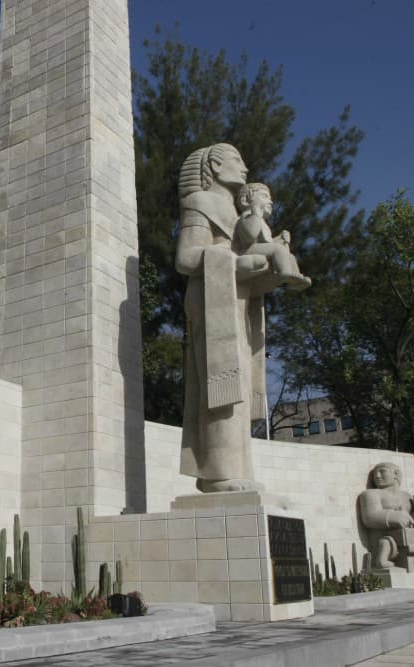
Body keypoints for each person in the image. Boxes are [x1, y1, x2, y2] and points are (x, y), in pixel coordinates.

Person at [175, 143, 272, 493]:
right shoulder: (199, 203)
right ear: (214, 166)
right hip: (212, 300)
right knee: (222, 386)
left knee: (241, 390)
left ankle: (236, 469)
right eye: (237, 159)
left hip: (238, 300)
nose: (245, 167)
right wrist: (233, 261)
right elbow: (185, 258)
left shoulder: (236, 211)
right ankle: (218, 474)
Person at [358, 462, 414, 568]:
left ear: (395, 474)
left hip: (410, 538)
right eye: (374, 474)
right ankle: (382, 560)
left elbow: (413, 518)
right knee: (385, 544)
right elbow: (369, 517)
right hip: (387, 539)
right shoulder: (371, 494)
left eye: (382, 471)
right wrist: (393, 516)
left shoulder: (407, 497)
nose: (377, 476)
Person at [235, 183, 311, 290]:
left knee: (290, 256)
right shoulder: (247, 216)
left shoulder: (261, 221)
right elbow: (249, 237)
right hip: (246, 250)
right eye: (264, 196)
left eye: (270, 198)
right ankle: (284, 273)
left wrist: (281, 240)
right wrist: (256, 215)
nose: (270, 202)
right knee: (278, 249)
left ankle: (295, 279)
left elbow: (268, 244)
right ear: (245, 200)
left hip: (256, 248)